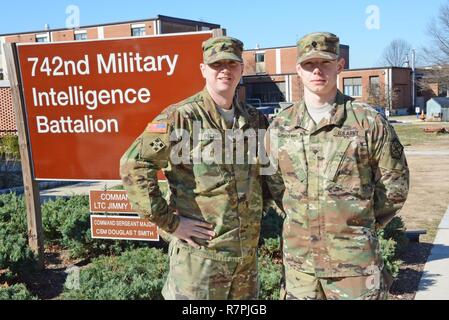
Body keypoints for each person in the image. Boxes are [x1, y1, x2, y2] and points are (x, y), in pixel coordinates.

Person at [120, 36, 268, 300]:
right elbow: (134, 164)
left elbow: (267, 176)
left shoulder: (255, 120)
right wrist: (171, 223)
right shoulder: (182, 117)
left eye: (232, 64)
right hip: (200, 262)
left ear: (241, 70)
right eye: (216, 64)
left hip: (245, 261)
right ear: (203, 70)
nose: (225, 70)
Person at [265, 32, 410, 300]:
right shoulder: (280, 127)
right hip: (301, 267)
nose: (317, 70)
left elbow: (395, 185)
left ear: (340, 66)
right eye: (309, 64)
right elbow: (277, 186)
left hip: (353, 264)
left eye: (325, 63)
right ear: (298, 70)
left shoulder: (367, 122)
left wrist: (357, 223)